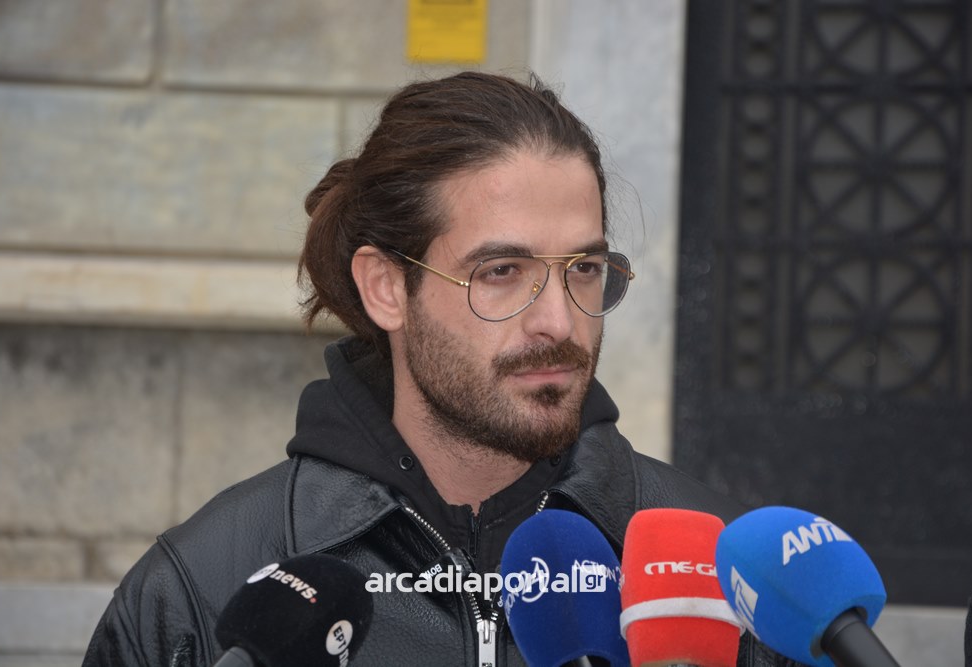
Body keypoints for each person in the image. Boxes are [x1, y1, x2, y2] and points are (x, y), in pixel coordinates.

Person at [84, 71, 798, 666]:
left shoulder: (729, 578)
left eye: (583, 268)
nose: (559, 321)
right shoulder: (203, 589)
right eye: (501, 271)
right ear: (387, 288)